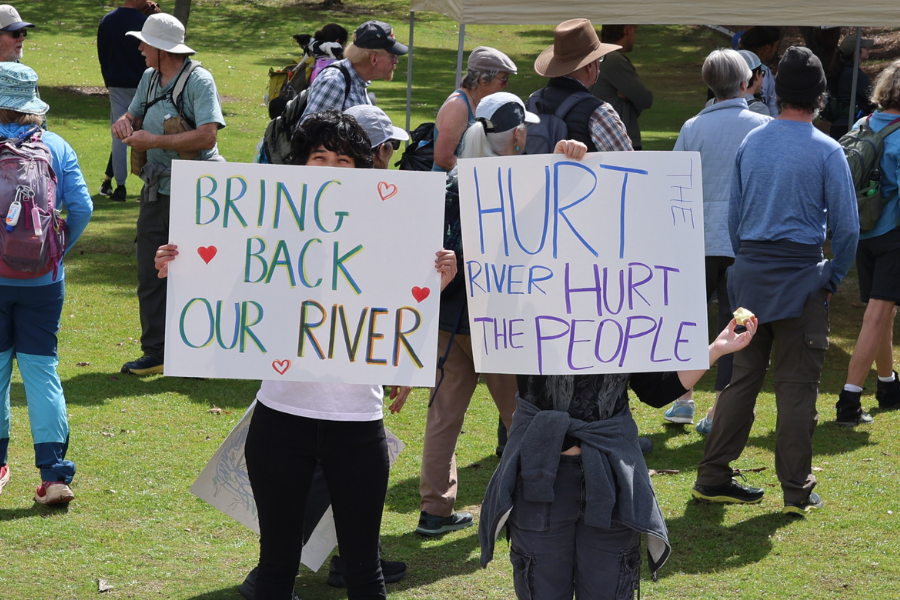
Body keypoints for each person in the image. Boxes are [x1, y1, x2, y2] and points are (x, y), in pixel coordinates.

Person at [157, 109, 455, 600]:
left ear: (362, 170)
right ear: (299, 164)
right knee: (275, 570)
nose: (332, 169)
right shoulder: (269, 229)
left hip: (359, 427)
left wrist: (435, 279)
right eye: (319, 157)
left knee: (364, 571)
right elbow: (228, 301)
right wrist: (183, 268)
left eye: (345, 160)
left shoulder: (391, 231)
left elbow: (399, 314)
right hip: (280, 422)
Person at [398, 92, 588, 537]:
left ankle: (435, 509)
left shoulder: (452, 179)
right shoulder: (518, 184)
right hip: (499, 320)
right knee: (521, 415)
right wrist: (569, 160)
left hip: (448, 316)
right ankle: (533, 501)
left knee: (445, 413)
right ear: (518, 134)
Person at [692, 47, 859, 516]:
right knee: (796, 388)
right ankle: (796, 490)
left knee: (741, 381)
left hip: (749, 276)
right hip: (802, 280)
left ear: (775, 90)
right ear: (821, 97)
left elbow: (734, 216)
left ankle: (712, 476)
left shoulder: (754, 143)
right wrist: (833, 277)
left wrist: (746, 264)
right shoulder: (828, 150)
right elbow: (846, 229)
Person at [478, 332, 758, 597]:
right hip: (541, 478)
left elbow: (657, 390)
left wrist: (717, 349)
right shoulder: (527, 307)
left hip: (610, 476)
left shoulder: (624, 315)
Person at [112, 13, 225, 376]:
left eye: (145, 43)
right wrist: (125, 124)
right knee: (150, 272)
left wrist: (155, 140)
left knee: (195, 272)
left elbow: (208, 136)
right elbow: (133, 116)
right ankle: (156, 351)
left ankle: (199, 352)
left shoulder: (199, 81)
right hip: (156, 189)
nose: (141, 48)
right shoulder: (148, 77)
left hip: (196, 195)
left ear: (162, 49)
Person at [0, 63, 93, 505]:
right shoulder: (56, 145)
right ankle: (54, 476)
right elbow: (83, 208)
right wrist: (55, 251)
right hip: (43, 280)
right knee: (41, 372)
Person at [665, 49, 771, 433]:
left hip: (698, 240)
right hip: (744, 241)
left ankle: (683, 398)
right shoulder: (763, 124)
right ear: (745, 83)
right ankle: (719, 410)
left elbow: (673, 182)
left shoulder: (693, 126)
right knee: (738, 325)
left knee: (688, 320)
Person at [836, 59, 900, 424]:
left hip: (863, 229)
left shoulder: (864, 122)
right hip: (892, 232)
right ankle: (849, 400)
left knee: (883, 312)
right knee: (877, 316)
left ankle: (888, 384)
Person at [530, 18, 631, 153]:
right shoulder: (599, 113)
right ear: (589, 65)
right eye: (599, 59)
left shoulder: (530, 104)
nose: (600, 64)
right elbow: (627, 164)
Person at [97, 0, 160, 202]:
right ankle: (151, 182)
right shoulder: (144, 22)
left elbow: (102, 53)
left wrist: (109, 79)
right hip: (143, 83)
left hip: (116, 83)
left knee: (119, 134)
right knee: (150, 131)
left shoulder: (107, 21)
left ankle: (119, 186)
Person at [431, 46, 517, 172]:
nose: (506, 84)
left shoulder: (483, 104)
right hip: (449, 188)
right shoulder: (458, 106)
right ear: (483, 79)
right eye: (503, 79)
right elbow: (443, 159)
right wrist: (483, 172)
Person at [302, 20, 407, 118]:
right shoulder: (335, 82)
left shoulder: (358, 80)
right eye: (393, 56)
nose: (396, 61)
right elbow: (307, 134)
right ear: (373, 58)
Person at [590, 24, 653, 149]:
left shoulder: (599, 57)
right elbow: (645, 99)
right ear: (627, 30)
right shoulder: (614, 59)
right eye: (634, 31)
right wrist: (632, 98)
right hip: (618, 142)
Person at [827, 34, 876, 140]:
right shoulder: (853, 74)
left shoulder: (841, 70)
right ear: (855, 53)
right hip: (853, 127)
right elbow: (874, 98)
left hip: (839, 126)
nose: (868, 49)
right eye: (864, 47)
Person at [738, 26, 781, 117]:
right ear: (767, 47)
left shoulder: (728, 67)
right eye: (776, 46)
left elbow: (772, 105)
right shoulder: (764, 72)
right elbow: (772, 106)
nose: (776, 50)